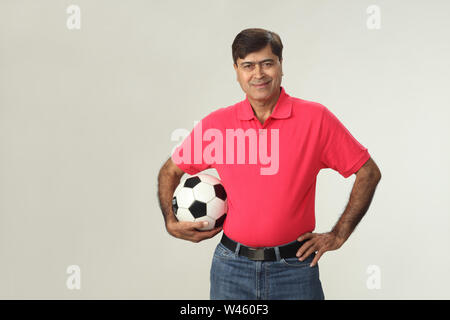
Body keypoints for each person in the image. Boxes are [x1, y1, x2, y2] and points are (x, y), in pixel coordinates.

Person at [157, 28, 381, 300]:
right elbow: (170, 170)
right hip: (231, 267)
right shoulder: (217, 125)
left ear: (281, 65)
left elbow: (368, 171)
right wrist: (170, 220)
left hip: (295, 268)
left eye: (267, 63)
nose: (258, 74)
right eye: (248, 66)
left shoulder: (315, 119)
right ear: (237, 71)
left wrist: (338, 234)